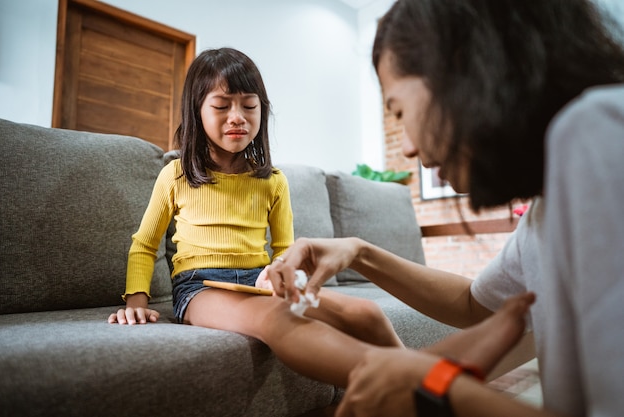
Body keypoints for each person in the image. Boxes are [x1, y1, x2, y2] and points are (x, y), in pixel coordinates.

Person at [267, 0, 624, 416]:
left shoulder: (595, 134)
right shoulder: (544, 211)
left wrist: (435, 392)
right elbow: (474, 305)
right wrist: (358, 252)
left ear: (462, 68)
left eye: (400, 110)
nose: (408, 147)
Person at [108, 47, 408, 387]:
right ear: (197, 111)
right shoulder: (175, 175)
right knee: (279, 320)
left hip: (259, 278)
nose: (238, 117)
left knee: (365, 312)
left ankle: (427, 391)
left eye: (249, 106)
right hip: (199, 287)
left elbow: (284, 248)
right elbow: (145, 245)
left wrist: (279, 273)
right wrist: (136, 301)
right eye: (221, 106)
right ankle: (411, 390)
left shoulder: (273, 180)